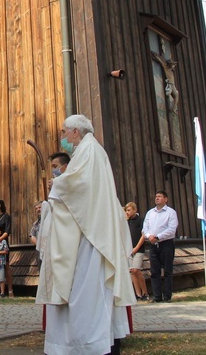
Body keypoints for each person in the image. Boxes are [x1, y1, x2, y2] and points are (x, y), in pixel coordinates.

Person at [36, 114, 133, 355]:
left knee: (85, 293)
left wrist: (57, 186)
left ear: (75, 132)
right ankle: (86, 342)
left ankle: (87, 344)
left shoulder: (89, 150)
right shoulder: (89, 151)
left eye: (63, 132)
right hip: (90, 230)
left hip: (91, 237)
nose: (62, 137)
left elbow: (79, 187)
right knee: (86, 293)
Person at [142, 190, 178, 303]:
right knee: (154, 271)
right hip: (153, 244)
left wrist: (158, 236)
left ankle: (167, 296)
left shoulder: (170, 212)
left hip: (166, 244)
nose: (157, 198)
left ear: (165, 199)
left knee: (167, 270)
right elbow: (145, 228)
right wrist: (149, 236)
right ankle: (157, 296)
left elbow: (172, 229)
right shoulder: (150, 213)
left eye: (160, 196)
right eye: (156, 196)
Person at [124, 202, 148, 301]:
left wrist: (137, 247)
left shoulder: (140, 220)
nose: (127, 212)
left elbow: (143, 235)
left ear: (135, 210)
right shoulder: (126, 222)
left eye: (129, 210)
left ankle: (145, 292)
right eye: (126, 210)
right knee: (132, 272)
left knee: (136, 269)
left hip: (138, 249)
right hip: (128, 249)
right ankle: (138, 294)